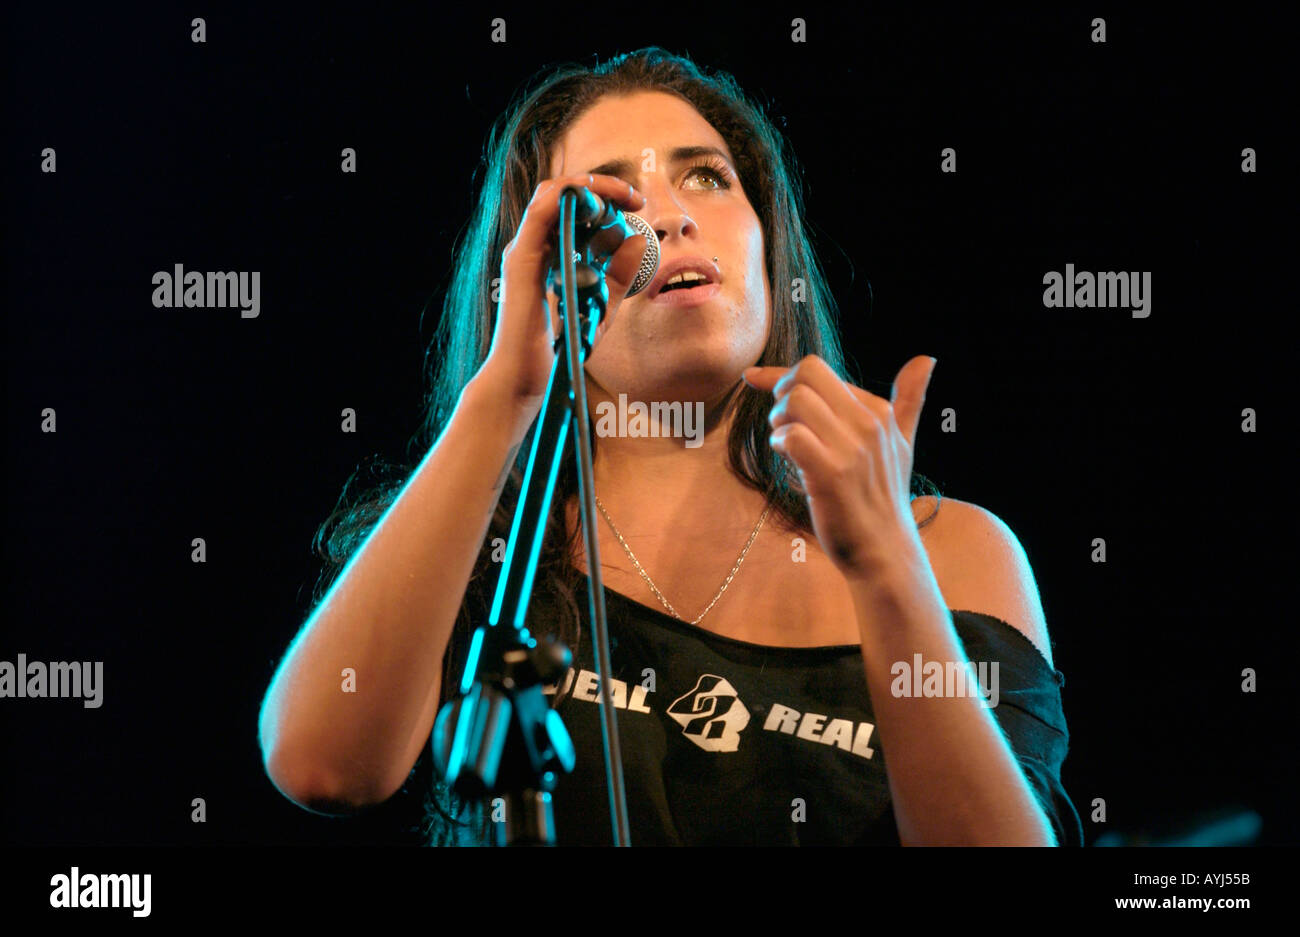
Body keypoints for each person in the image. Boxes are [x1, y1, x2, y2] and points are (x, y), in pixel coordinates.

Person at [258, 47, 1083, 846]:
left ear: (768, 244)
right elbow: (323, 765)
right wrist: (505, 392)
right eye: (613, 199)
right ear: (542, 269)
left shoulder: (953, 552)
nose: (669, 213)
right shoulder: (483, 553)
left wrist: (887, 568)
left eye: (707, 176)